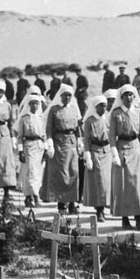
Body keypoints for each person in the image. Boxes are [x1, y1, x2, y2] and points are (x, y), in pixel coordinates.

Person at [110, 84, 140, 229]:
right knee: (123, 185)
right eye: (126, 95)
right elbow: (112, 135)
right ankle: (125, 218)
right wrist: (114, 153)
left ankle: (139, 217)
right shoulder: (116, 114)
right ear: (121, 97)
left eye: (131, 95)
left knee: (137, 185)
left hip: (136, 148)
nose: (129, 97)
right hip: (121, 149)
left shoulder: (138, 112)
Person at [44, 83, 82, 213]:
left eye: (69, 95)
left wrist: (80, 141)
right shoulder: (54, 110)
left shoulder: (74, 109)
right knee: (62, 174)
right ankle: (61, 203)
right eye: (65, 95)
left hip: (72, 143)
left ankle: (72, 202)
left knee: (74, 172)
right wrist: (49, 143)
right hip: (59, 143)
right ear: (60, 96)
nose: (67, 98)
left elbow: (78, 128)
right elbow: (49, 128)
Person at [81, 94, 112, 221]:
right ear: (95, 107)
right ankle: (99, 210)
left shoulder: (109, 119)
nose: (103, 108)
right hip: (95, 151)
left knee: (107, 182)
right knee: (99, 182)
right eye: (101, 106)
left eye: (105, 106)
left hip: (107, 151)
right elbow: (87, 139)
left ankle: (106, 206)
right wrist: (87, 155)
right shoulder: (90, 121)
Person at [16, 88, 46, 207]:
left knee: (38, 172)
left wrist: (46, 149)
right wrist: (20, 151)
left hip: (39, 146)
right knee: (30, 172)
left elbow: (44, 135)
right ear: (28, 105)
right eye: (32, 103)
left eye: (36, 104)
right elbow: (19, 136)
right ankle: (32, 196)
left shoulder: (41, 118)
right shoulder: (24, 119)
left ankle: (33, 195)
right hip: (28, 146)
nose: (34, 106)